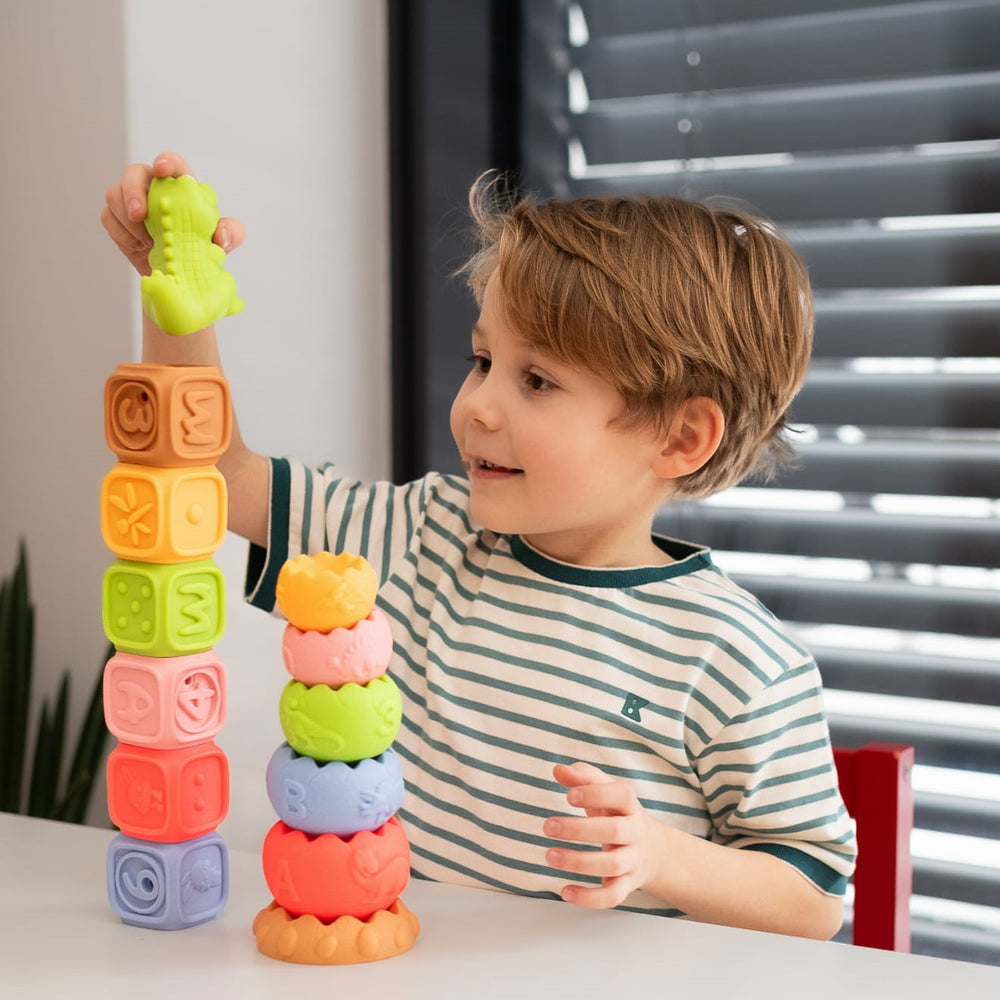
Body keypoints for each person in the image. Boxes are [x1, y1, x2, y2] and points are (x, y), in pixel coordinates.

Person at [103, 152, 856, 940]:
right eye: (484, 361)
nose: (478, 407)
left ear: (680, 437)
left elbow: (812, 899)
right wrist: (179, 296)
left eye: (538, 381)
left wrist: (663, 857)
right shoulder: (417, 537)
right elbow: (218, 475)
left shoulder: (735, 658)